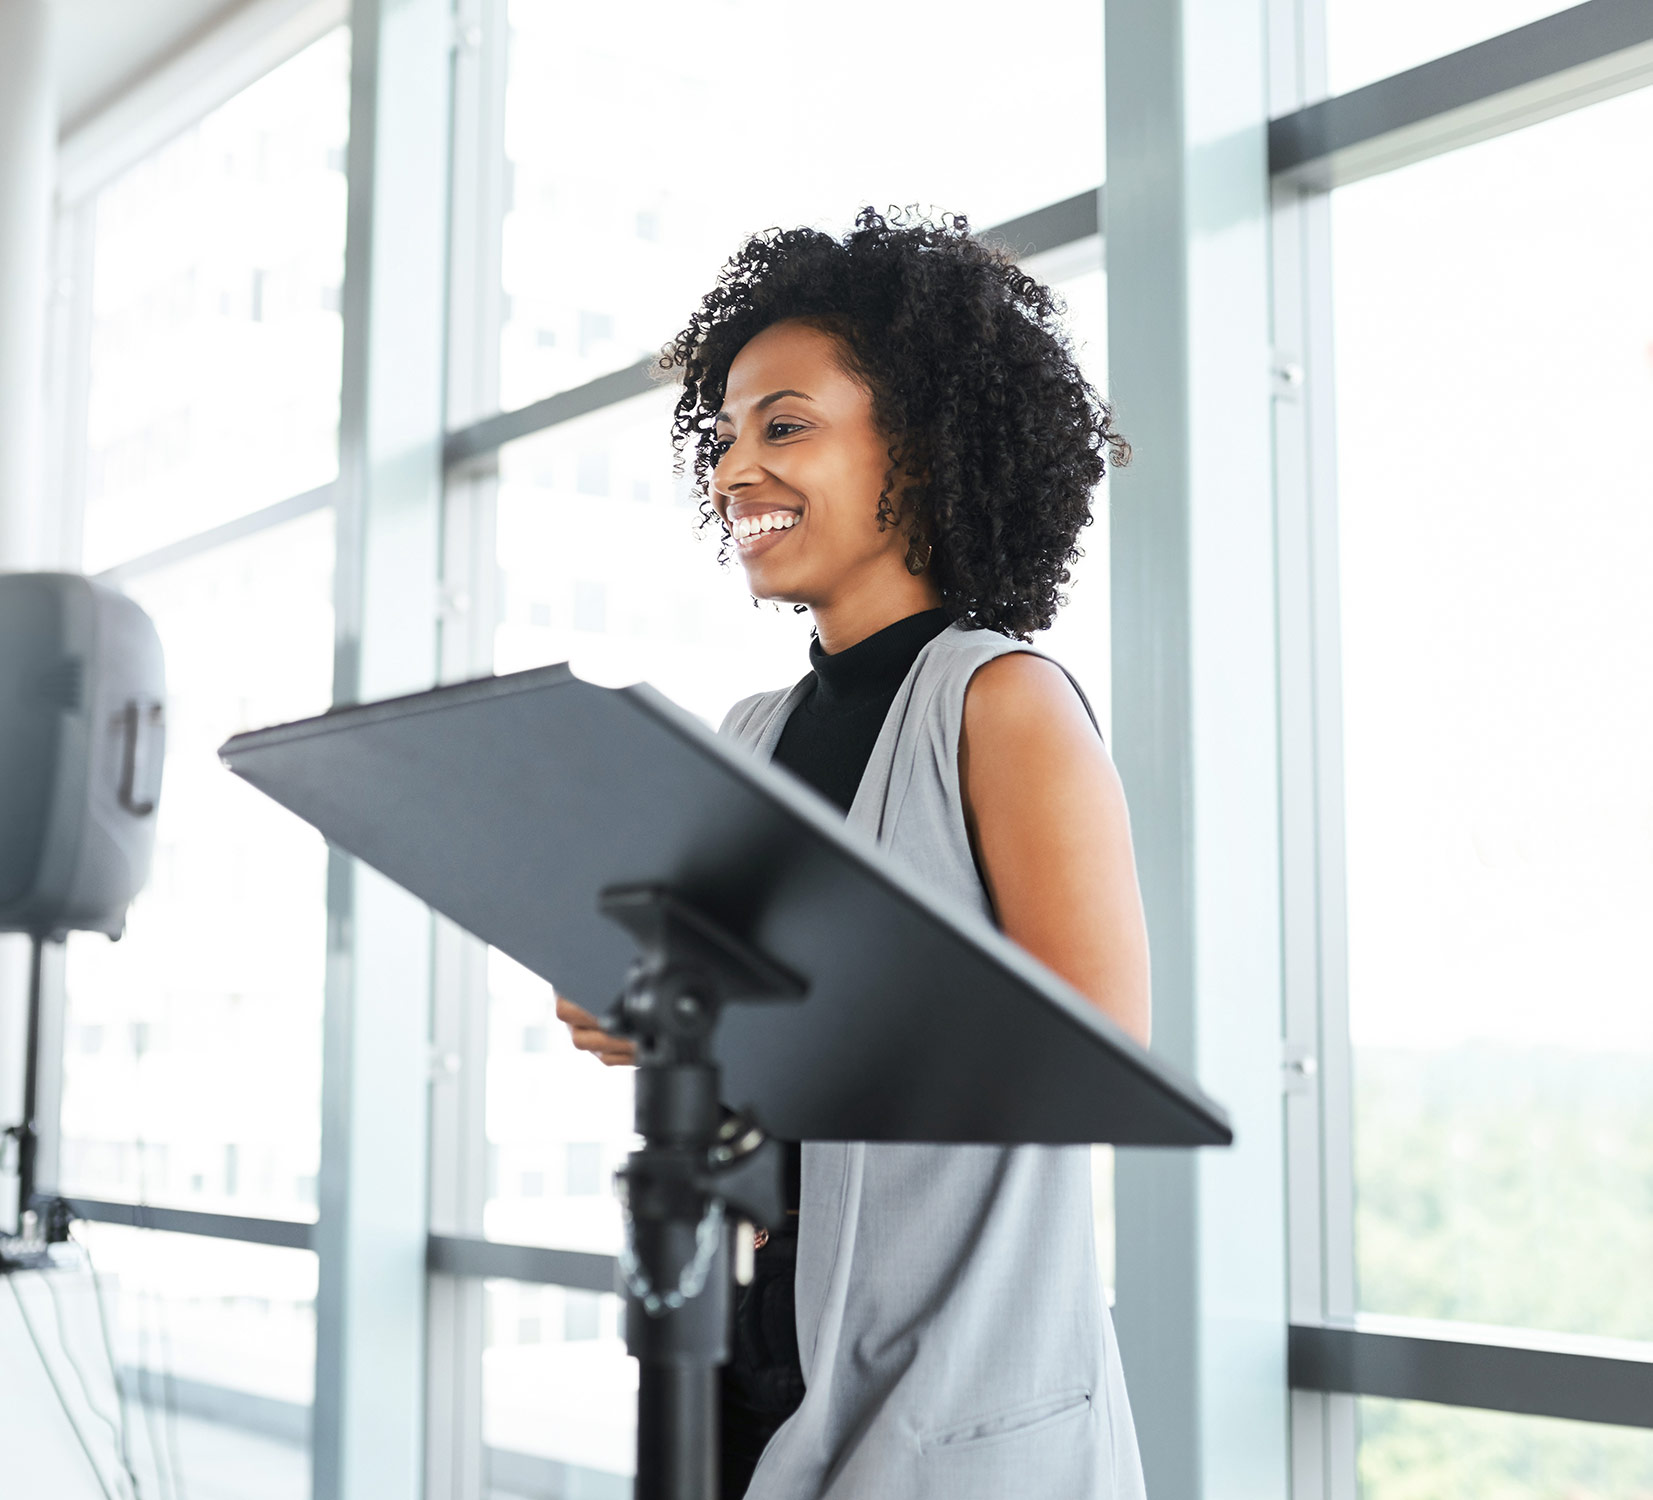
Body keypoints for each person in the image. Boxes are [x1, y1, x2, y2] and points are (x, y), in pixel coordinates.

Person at [557, 208, 1151, 1500]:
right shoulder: (750, 735)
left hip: (954, 1394)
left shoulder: (999, 702)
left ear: (927, 453)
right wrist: (656, 1015)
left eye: (783, 425)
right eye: (721, 437)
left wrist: (777, 1003)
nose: (731, 472)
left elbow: (1094, 1050)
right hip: (752, 1357)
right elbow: (756, 1075)